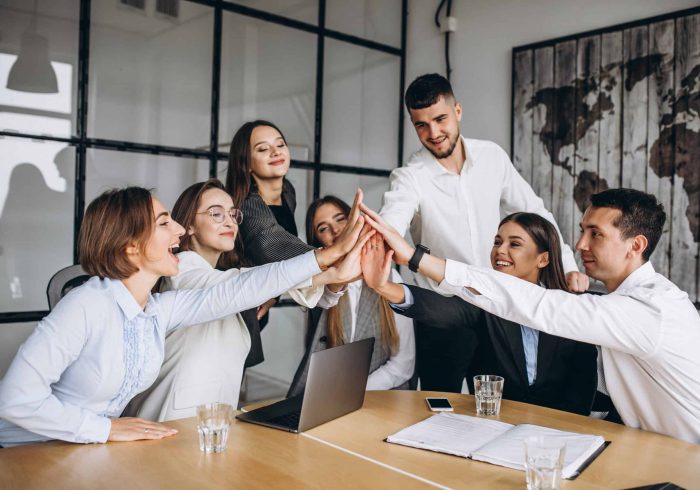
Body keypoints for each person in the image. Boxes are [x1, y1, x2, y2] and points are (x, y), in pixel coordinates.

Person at [0, 186, 370, 447]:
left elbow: (235, 290)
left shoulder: (157, 311)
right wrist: (104, 430)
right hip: (31, 453)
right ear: (130, 247)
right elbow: (15, 400)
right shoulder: (84, 305)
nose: (178, 229)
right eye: (164, 223)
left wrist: (325, 263)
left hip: (88, 449)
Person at [360, 188, 700, 444]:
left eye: (595, 234)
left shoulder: (648, 310)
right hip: (653, 447)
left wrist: (413, 257)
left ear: (636, 246)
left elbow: (535, 305)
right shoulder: (622, 302)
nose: (580, 245)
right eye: (582, 231)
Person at [378, 73, 588, 392]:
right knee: (438, 407)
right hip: (442, 312)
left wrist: (568, 266)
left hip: (494, 309)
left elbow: (536, 212)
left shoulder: (492, 156)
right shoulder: (410, 177)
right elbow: (391, 222)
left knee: (499, 406)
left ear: (457, 111)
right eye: (421, 125)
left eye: (440, 119)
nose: (433, 133)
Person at [124, 180, 341, 422]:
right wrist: (329, 264)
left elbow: (252, 285)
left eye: (232, 214)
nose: (229, 221)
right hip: (167, 426)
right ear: (189, 226)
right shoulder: (183, 271)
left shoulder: (224, 279)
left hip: (209, 429)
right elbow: (242, 284)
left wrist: (336, 278)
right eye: (216, 213)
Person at [362, 212, 597, 415]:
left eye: (514, 244)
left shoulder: (570, 308)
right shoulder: (485, 300)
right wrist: (384, 287)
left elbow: (582, 389)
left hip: (559, 433)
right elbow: (442, 310)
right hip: (494, 426)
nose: (500, 251)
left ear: (543, 258)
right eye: (497, 242)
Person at [287, 196, 415, 396]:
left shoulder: (391, 280)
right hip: (330, 394)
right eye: (323, 228)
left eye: (340, 219)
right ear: (317, 241)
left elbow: (403, 365)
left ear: (356, 220)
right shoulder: (321, 287)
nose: (336, 230)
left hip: (382, 396)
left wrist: (352, 391)